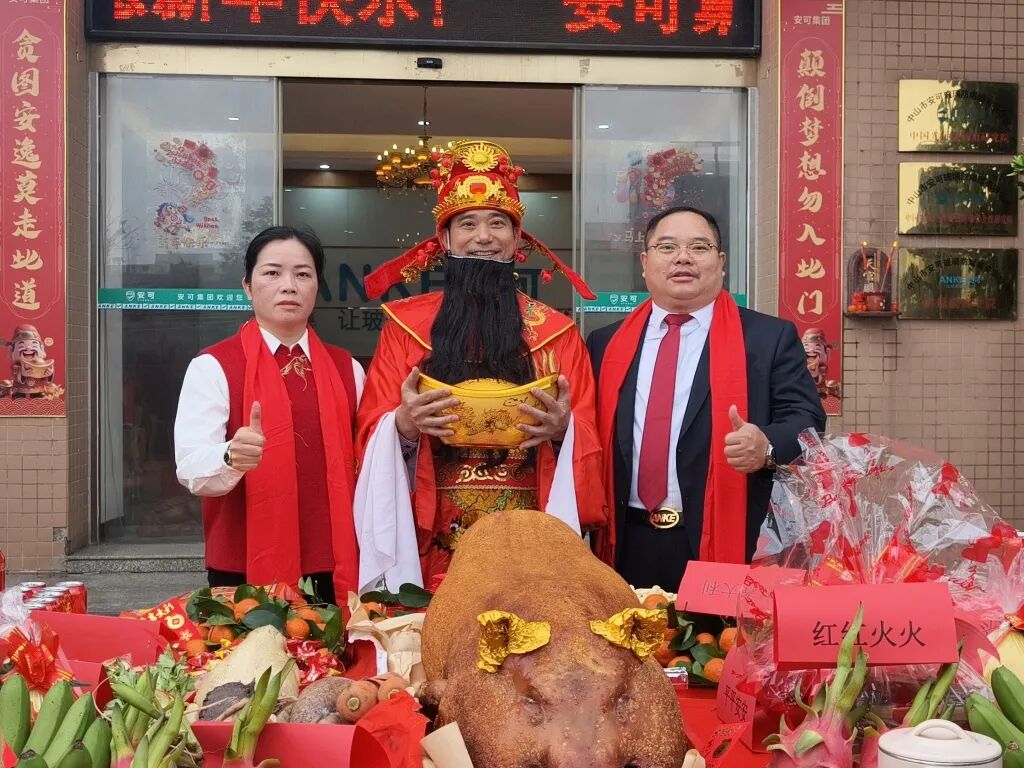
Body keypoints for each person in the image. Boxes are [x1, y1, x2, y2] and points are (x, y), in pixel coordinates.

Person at [354, 139, 607, 591]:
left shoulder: (557, 333)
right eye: (467, 223)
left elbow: (589, 430)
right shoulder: (405, 329)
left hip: (530, 533)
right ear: (445, 239)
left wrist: (563, 430)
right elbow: (371, 425)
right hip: (431, 530)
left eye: (497, 223)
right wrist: (404, 425)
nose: (483, 237)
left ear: (517, 239)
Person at [586, 206, 826, 590]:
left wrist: (765, 445)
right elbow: (588, 432)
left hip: (726, 536)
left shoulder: (768, 338)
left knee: (715, 632)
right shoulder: (605, 343)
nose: (683, 257)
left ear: (721, 262)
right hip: (626, 541)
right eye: (667, 247)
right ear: (645, 263)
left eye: (699, 247)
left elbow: (807, 419)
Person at [174, 225, 365, 605]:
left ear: (317, 286)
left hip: (337, 563)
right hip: (243, 567)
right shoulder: (214, 365)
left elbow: (371, 462)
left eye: (303, 274)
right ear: (248, 286)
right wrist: (231, 456)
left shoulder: (349, 369)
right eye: (272, 273)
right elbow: (191, 467)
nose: (289, 286)